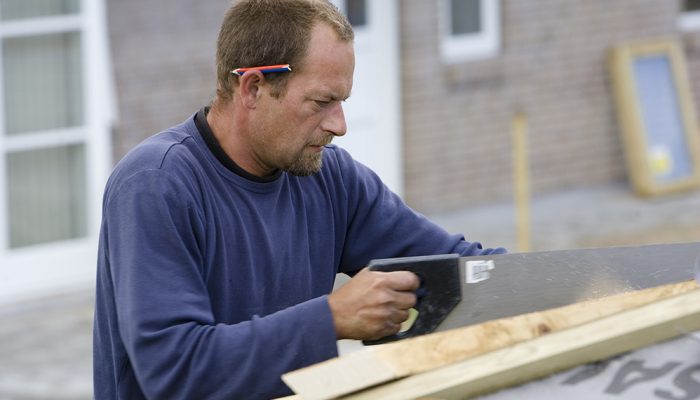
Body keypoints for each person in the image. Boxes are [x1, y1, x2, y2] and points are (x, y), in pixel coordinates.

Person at [93, 0, 505, 398]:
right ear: (253, 87)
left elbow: (463, 269)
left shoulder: (332, 179)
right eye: (322, 102)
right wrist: (332, 318)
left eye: (342, 102)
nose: (340, 125)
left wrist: (552, 289)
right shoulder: (156, 184)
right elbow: (175, 370)